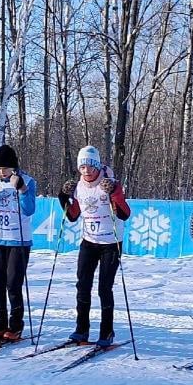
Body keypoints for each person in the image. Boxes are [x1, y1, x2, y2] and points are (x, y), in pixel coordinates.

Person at [58, 146, 132, 347]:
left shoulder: (109, 183)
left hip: (110, 242)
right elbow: (73, 216)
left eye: (90, 166)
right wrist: (63, 196)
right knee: (82, 285)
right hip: (89, 241)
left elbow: (125, 213)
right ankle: (81, 329)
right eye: (82, 166)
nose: (87, 170)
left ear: (97, 166)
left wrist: (115, 193)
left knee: (104, 288)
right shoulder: (79, 186)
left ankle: (106, 332)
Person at [0, 144, 38, 341]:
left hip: (19, 240)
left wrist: (21, 189)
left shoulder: (27, 180)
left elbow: (29, 210)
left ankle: (16, 324)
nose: (2, 172)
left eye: (5, 168)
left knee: (13, 283)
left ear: (13, 167)